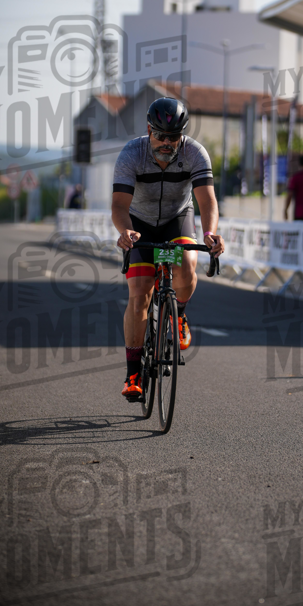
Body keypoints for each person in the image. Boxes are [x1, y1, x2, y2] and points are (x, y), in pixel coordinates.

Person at [112, 97, 224, 401]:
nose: (166, 142)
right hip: (139, 224)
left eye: (173, 137)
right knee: (140, 296)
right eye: (160, 135)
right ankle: (133, 373)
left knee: (186, 265)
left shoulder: (195, 153)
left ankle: (180, 313)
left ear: (182, 134)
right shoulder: (131, 154)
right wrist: (125, 232)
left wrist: (211, 233)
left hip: (177, 220)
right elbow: (119, 206)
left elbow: (207, 201)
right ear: (149, 130)